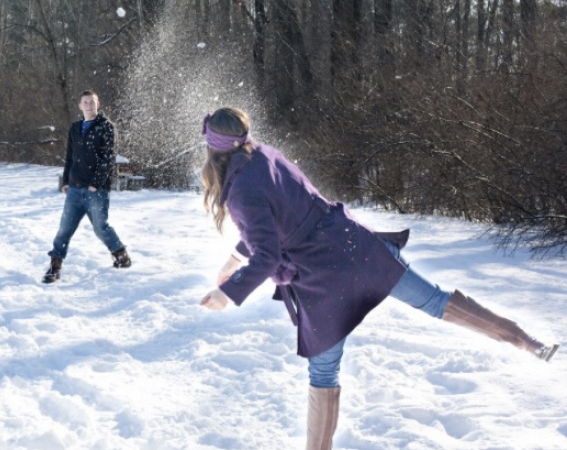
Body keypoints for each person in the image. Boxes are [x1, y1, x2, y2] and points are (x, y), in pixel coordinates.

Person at [197, 107, 559, 449]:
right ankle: (526, 341)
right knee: (435, 300)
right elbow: (280, 217)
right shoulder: (264, 155)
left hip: (323, 277)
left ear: (213, 151)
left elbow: (268, 253)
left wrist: (227, 293)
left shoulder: (241, 190)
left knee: (323, 374)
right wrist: (233, 259)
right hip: (356, 246)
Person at [43, 90, 131, 283]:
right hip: (74, 189)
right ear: (80, 106)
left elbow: (108, 158)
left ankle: (121, 256)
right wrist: (66, 181)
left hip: (96, 190)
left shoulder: (105, 127)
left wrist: (96, 183)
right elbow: (69, 157)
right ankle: (54, 266)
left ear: (97, 105)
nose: (89, 105)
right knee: (64, 229)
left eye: (92, 102)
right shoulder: (75, 128)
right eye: (85, 102)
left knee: (100, 228)